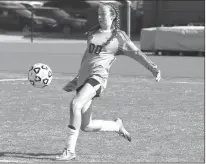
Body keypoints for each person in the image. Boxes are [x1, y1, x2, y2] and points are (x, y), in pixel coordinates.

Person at [56, 2, 161, 161]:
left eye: (103, 14)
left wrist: (153, 68)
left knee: (75, 104)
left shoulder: (119, 37)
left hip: (97, 78)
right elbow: (87, 58)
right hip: (84, 79)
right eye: (98, 14)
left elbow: (137, 53)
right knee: (86, 126)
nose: (99, 17)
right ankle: (116, 126)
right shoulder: (92, 33)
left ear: (112, 16)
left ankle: (69, 151)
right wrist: (76, 79)